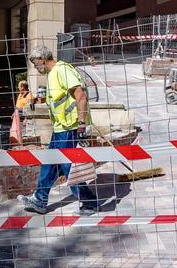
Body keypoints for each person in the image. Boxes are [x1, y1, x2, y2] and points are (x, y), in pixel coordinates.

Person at [17, 45, 109, 216]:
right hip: (61, 128)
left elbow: (81, 96)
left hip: (69, 127)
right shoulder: (53, 74)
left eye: (35, 63)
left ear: (41, 59)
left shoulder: (63, 70)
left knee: (69, 167)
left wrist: (81, 123)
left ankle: (90, 202)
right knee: (50, 163)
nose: (36, 68)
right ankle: (40, 199)